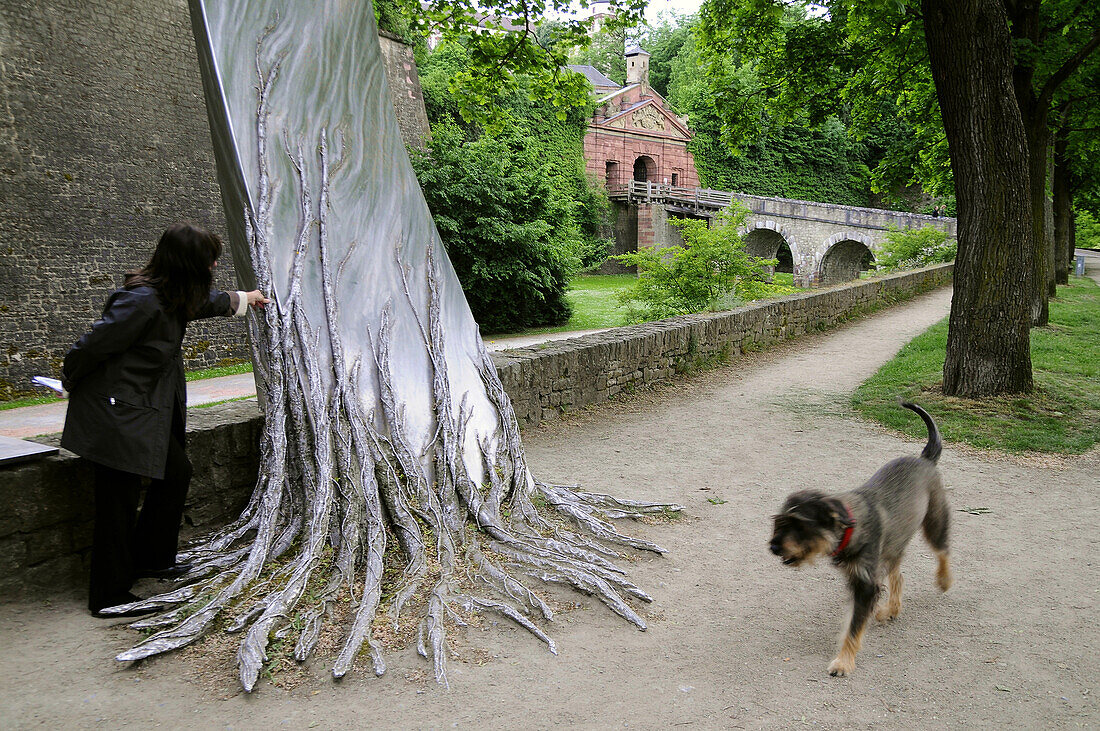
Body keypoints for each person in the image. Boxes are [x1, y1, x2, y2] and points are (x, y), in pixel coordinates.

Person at [61, 223, 269, 617]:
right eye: (209, 258)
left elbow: (201, 303)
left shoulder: (170, 294)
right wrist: (69, 379)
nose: (214, 264)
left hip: (137, 408)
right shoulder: (140, 301)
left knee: (175, 474)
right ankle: (108, 596)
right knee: (116, 502)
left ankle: (152, 558)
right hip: (114, 410)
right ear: (188, 263)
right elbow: (91, 347)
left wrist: (244, 299)